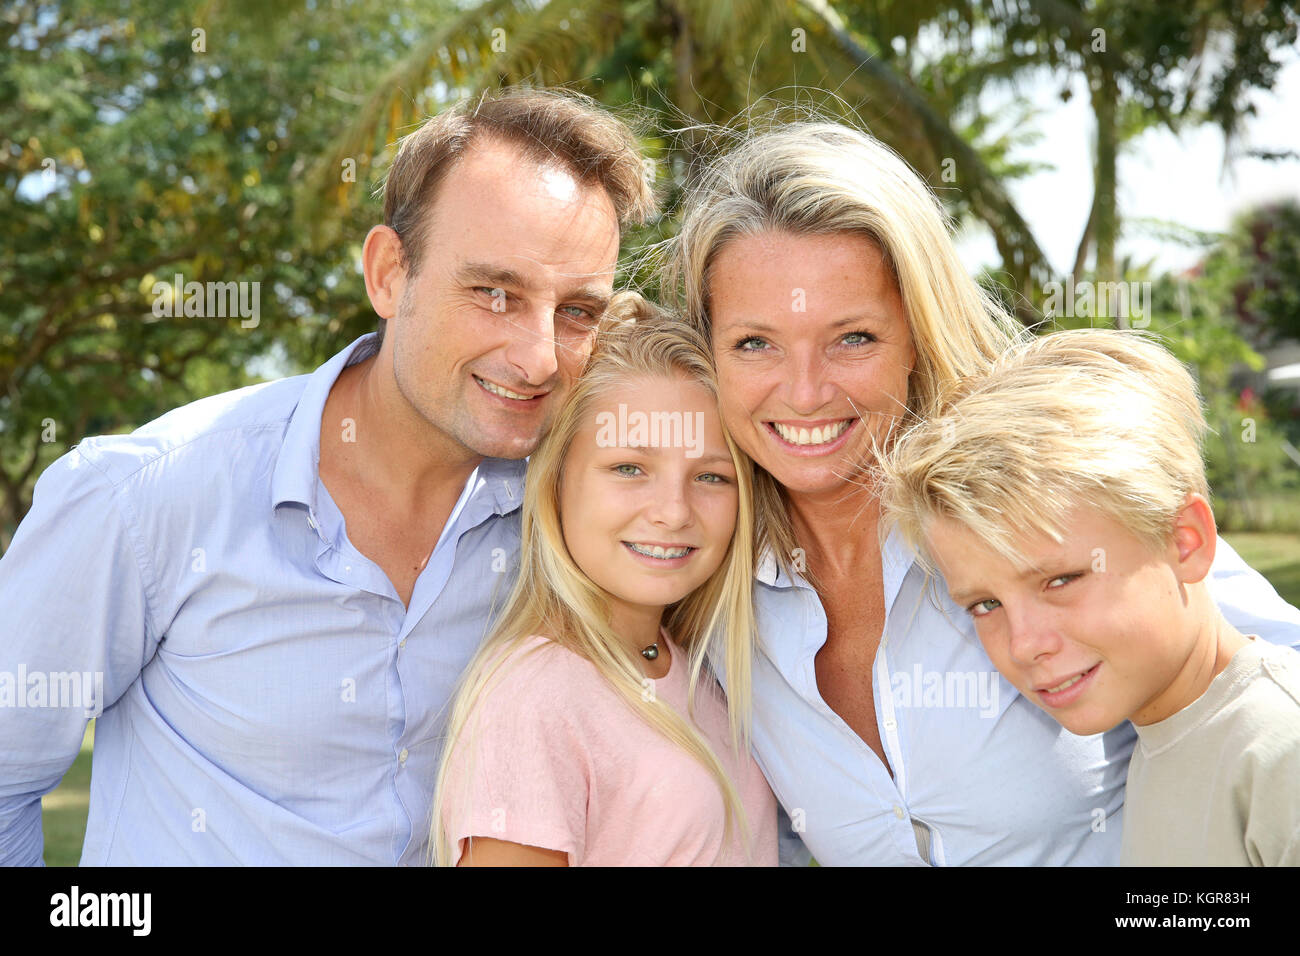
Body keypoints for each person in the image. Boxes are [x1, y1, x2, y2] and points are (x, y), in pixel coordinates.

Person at [0, 88, 653, 865]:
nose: (540, 355)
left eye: (578, 311)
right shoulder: (147, 496)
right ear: (388, 274)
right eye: (495, 293)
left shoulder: (575, 522)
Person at [663, 120, 1300, 866]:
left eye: (854, 338)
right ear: (710, 354)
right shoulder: (698, 579)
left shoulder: (1038, 492)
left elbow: (1258, 688)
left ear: (917, 336)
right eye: (754, 343)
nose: (804, 392)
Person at [879, 328, 1300, 866]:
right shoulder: (1164, 736)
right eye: (986, 605)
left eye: (1061, 580)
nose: (1025, 644)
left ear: (1184, 541)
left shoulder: (1279, 748)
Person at [432, 300, 777, 866]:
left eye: (711, 476)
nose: (673, 511)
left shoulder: (695, 667)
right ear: (556, 479)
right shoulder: (535, 697)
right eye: (629, 468)